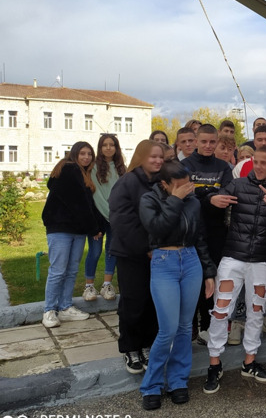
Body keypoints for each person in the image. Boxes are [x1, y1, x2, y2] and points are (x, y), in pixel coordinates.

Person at [203, 146, 266, 394]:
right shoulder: (239, 184)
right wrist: (211, 199)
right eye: (256, 162)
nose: (259, 166)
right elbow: (213, 202)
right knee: (221, 310)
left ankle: (249, 362)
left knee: (256, 311)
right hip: (233, 257)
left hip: (262, 260)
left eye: (264, 163)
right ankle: (214, 364)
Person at [137, 161, 217, 410]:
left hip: (191, 261)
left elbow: (200, 236)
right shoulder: (149, 200)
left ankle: (178, 381)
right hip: (164, 262)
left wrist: (209, 272)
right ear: (165, 184)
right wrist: (175, 200)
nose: (188, 189)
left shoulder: (193, 201)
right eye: (181, 185)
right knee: (168, 329)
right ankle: (151, 385)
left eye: (189, 184)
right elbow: (157, 228)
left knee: (184, 327)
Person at [109, 140, 165, 373]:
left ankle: (147, 344)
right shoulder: (127, 183)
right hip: (131, 254)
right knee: (133, 302)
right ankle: (131, 348)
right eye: (153, 156)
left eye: (161, 157)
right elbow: (122, 222)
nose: (158, 161)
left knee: (153, 302)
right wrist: (146, 248)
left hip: (158, 254)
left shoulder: (161, 182)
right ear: (141, 157)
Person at [181, 124, 233, 344]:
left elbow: (227, 193)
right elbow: (185, 194)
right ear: (195, 141)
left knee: (213, 278)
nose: (208, 145)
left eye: (212, 142)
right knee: (193, 280)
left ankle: (209, 326)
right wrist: (209, 195)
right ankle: (191, 325)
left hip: (217, 230)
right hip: (190, 230)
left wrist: (202, 193)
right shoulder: (185, 165)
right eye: (204, 141)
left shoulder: (223, 167)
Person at [41, 141, 101, 328]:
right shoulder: (70, 169)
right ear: (74, 154)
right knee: (58, 270)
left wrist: (92, 225)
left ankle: (65, 307)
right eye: (82, 153)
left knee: (72, 270)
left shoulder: (82, 173)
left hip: (77, 230)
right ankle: (49, 311)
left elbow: (87, 203)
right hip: (60, 228)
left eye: (89, 154)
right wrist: (93, 228)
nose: (86, 157)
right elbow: (79, 203)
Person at [84, 133, 126, 302]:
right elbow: (96, 194)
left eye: (112, 144)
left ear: (116, 147)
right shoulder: (93, 167)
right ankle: (89, 286)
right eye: (104, 145)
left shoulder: (121, 168)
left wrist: (118, 214)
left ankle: (107, 285)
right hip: (98, 216)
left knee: (112, 251)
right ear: (100, 148)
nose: (108, 148)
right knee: (95, 251)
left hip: (117, 216)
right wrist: (109, 213)